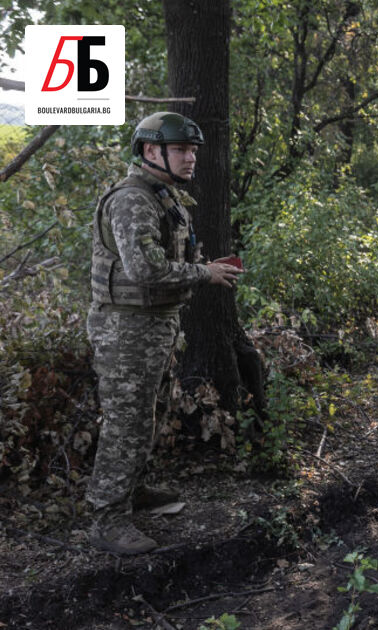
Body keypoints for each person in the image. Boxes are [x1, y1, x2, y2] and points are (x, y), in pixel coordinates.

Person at [87, 111, 243, 554]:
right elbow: (144, 269)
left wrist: (202, 264)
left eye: (192, 149)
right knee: (126, 424)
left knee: (145, 417)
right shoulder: (134, 198)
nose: (191, 157)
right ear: (151, 151)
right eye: (181, 149)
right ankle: (106, 520)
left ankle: (131, 493)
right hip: (126, 329)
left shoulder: (162, 195)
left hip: (151, 325)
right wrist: (203, 273)